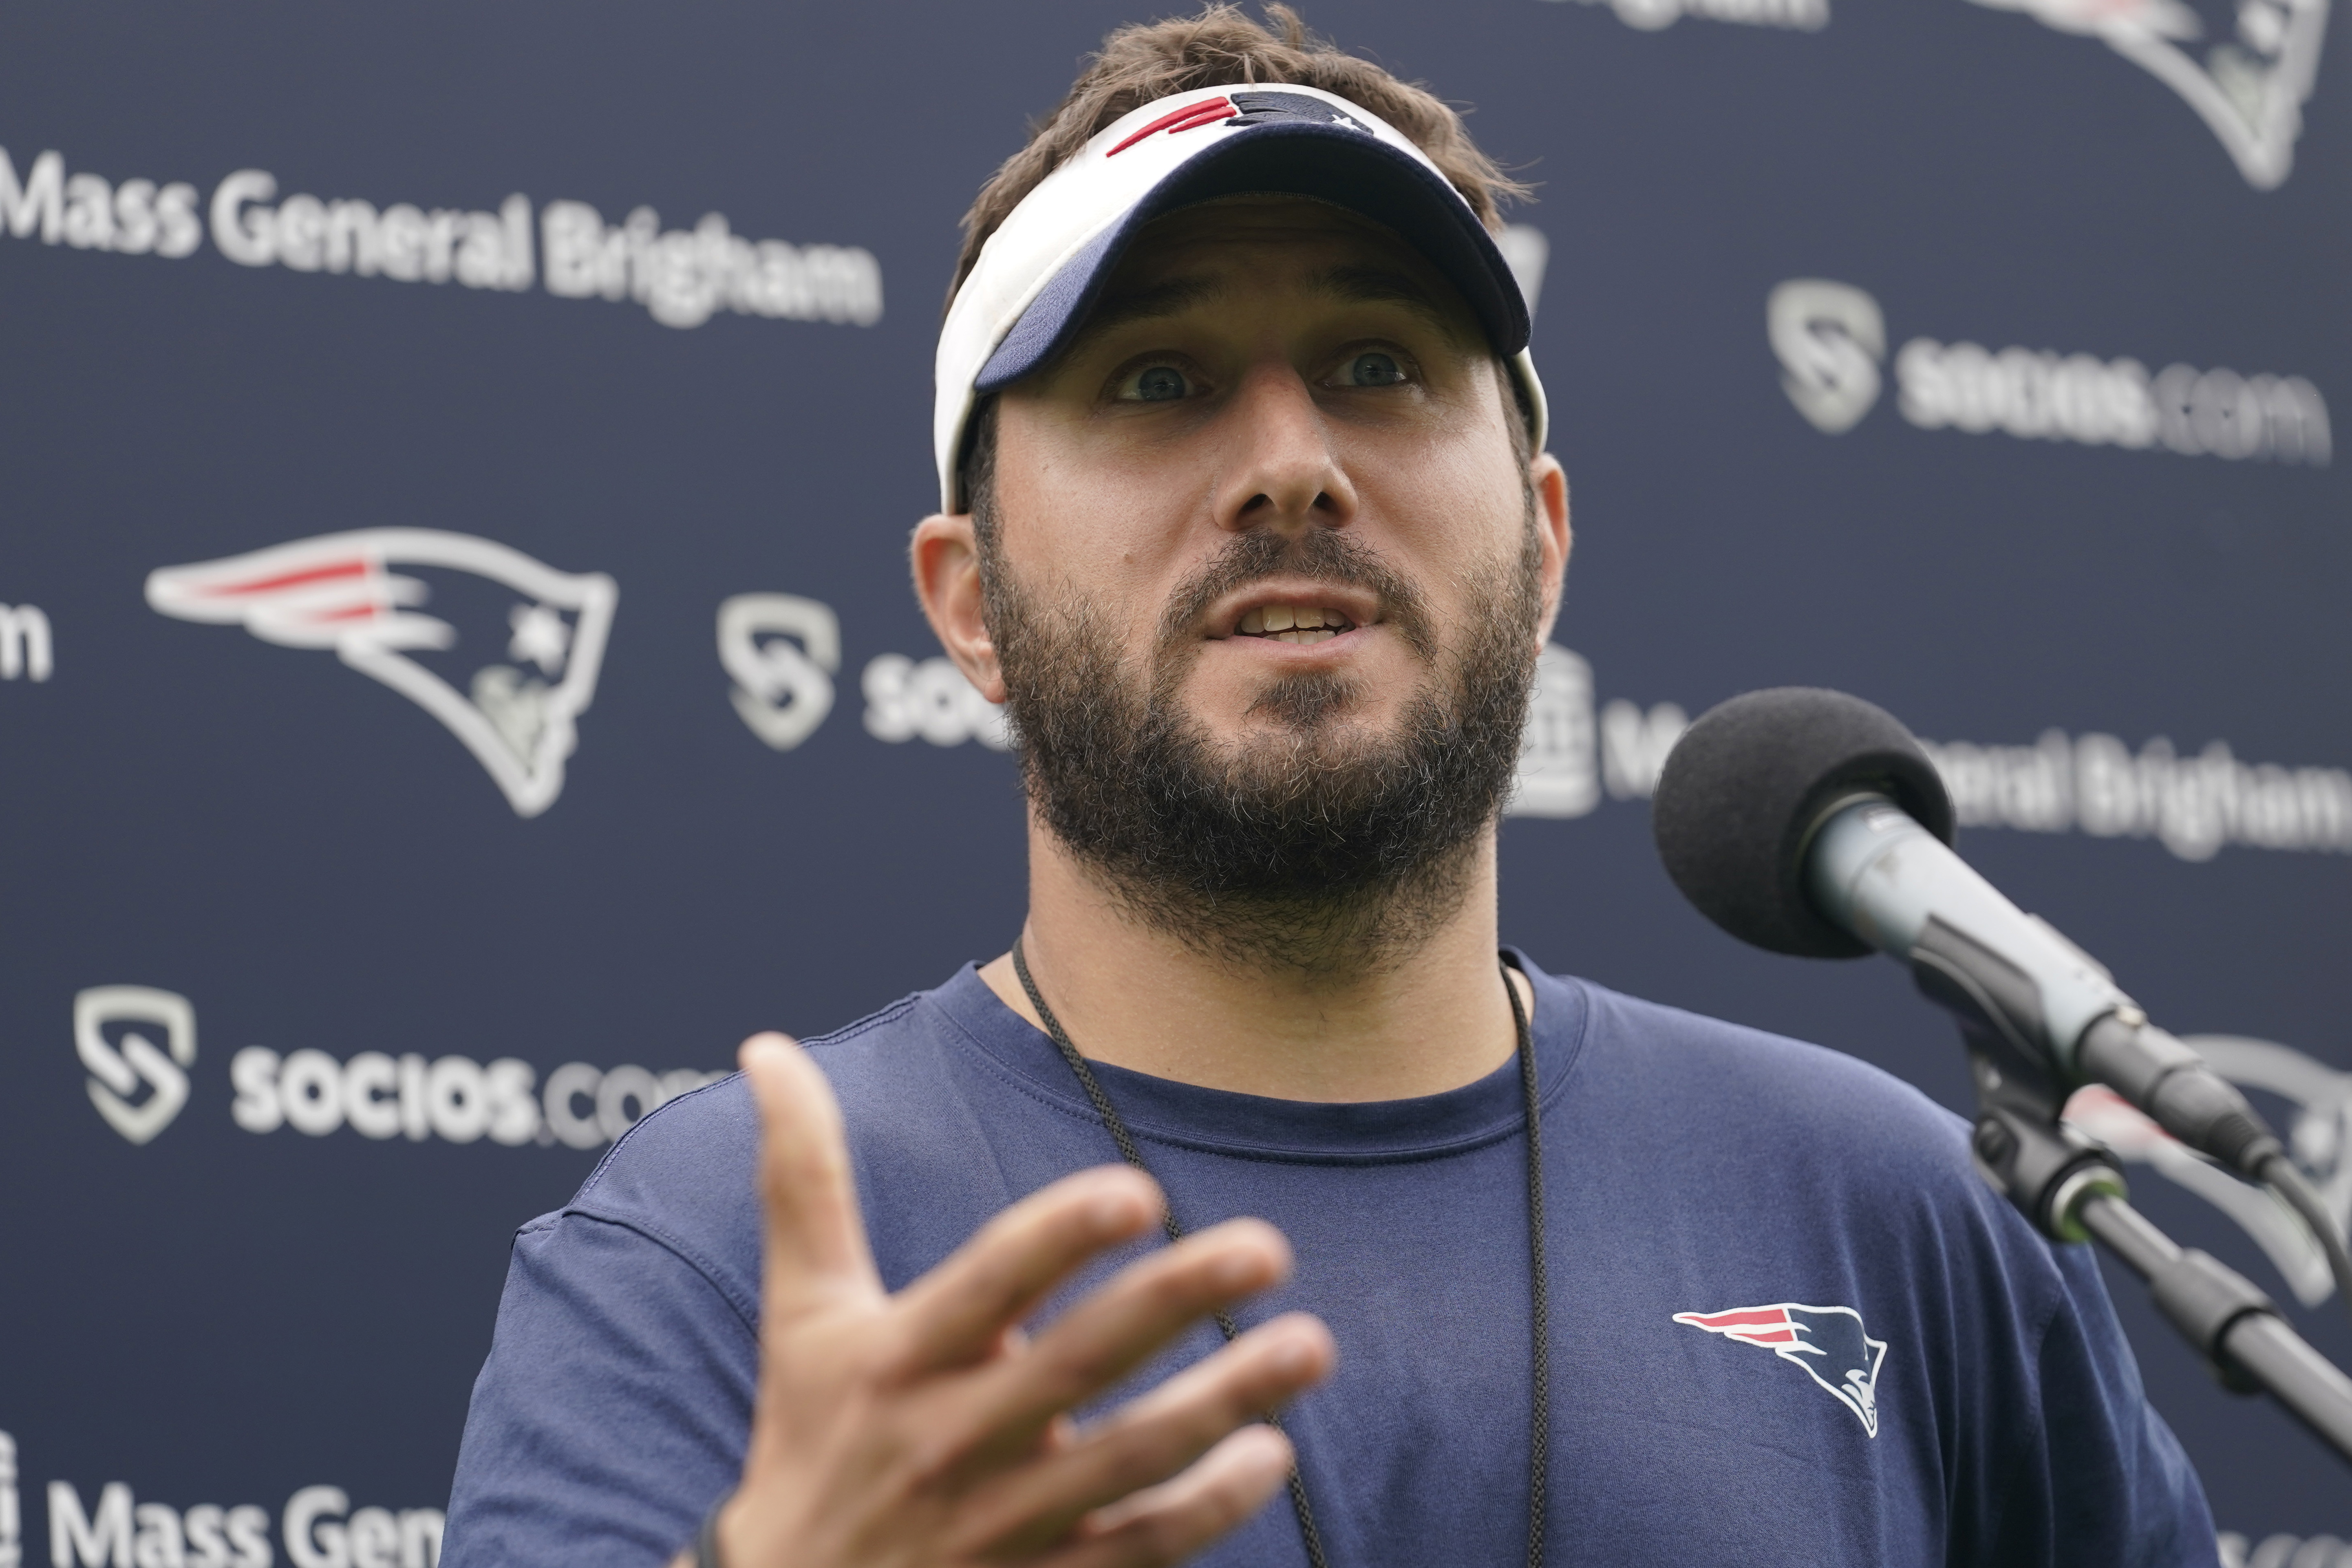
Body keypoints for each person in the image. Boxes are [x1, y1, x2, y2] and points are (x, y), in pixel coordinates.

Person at [441, 7, 2218, 1565]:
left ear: (1538, 543)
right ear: (970, 604)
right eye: (1158, 377)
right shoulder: (716, 1249)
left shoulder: (1897, 1214)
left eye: (1378, 365)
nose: (1290, 462)